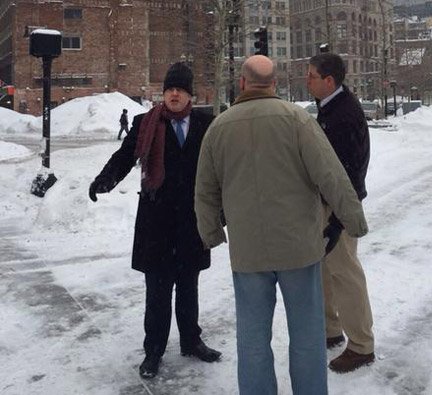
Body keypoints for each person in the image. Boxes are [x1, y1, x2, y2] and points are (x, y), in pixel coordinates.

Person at [195, 55, 368, 395]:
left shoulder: (219, 126)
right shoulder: (297, 120)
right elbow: (330, 173)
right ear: (274, 84)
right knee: (306, 335)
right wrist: (353, 219)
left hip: (248, 251)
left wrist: (210, 232)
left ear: (242, 84)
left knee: (253, 337)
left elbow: (205, 188)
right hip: (299, 248)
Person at [88, 62, 221, 379]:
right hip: (157, 221)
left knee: (189, 287)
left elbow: (222, 168)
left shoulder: (207, 124)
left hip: (191, 220)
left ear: (190, 95)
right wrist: (104, 180)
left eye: (180, 89)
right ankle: (154, 351)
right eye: (170, 89)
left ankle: (192, 340)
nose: (174, 94)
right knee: (158, 293)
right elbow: (124, 157)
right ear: (164, 93)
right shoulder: (144, 123)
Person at [306, 53, 375, 373]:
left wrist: (336, 220)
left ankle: (361, 345)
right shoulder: (331, 107)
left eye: (311, 76)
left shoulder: (343, 113)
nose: (307, 81)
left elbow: (348, 170)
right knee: (326, 269)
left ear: (328, 81)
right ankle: (330, 330)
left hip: (341, 205)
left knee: (345, 273)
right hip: (328, 203)